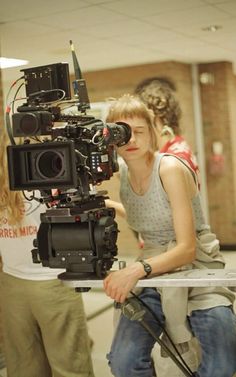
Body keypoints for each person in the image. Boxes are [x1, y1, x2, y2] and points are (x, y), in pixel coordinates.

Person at [103, 94, 236, 377]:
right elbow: (150, 212)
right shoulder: (124, 174)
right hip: (154, 273)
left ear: (152, 132)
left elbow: (187, 248)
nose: (131, 140)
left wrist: (134, 271)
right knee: (123, 363)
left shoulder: (170, 168)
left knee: (222, 365)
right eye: (122, 132)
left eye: (139, 131)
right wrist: (105, 206)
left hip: (198, 270)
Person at [0, 128, 95, 377]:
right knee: (70, 368)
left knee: (23, 368)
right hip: (53, 284)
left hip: (12, 282)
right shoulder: (51, 172)